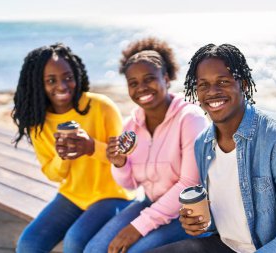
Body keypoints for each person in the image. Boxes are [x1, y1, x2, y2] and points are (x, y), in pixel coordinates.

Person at [149, 44, 276, 252]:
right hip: (225, 246)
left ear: (245, 85)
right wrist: (200, 222)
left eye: (223, 82)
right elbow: (229, 217)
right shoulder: (203, 143)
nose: (212, 92)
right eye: (203, 85)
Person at [84, 37, 209, 253]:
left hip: (189, 213)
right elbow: (130, 185)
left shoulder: (191, 118)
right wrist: (120, 164)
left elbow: (189, 184)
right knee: (94, 250)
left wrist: (137, 227)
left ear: (166, 78)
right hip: (150, 204)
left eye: (149, 79)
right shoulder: (130, 127)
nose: (141, 88)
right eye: (133, 83)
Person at [12, 43, 134, 253]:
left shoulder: (101, 107)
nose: (62, 86)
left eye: (68, 77)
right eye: (51, 80)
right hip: (72, 195)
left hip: (113, 194)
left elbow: (125, 159)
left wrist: (90, 147)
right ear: (38, 84)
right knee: (28, 245)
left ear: (76, 75)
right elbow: (54, 175)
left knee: (74, 241)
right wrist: (62, 156)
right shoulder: (37, 121)